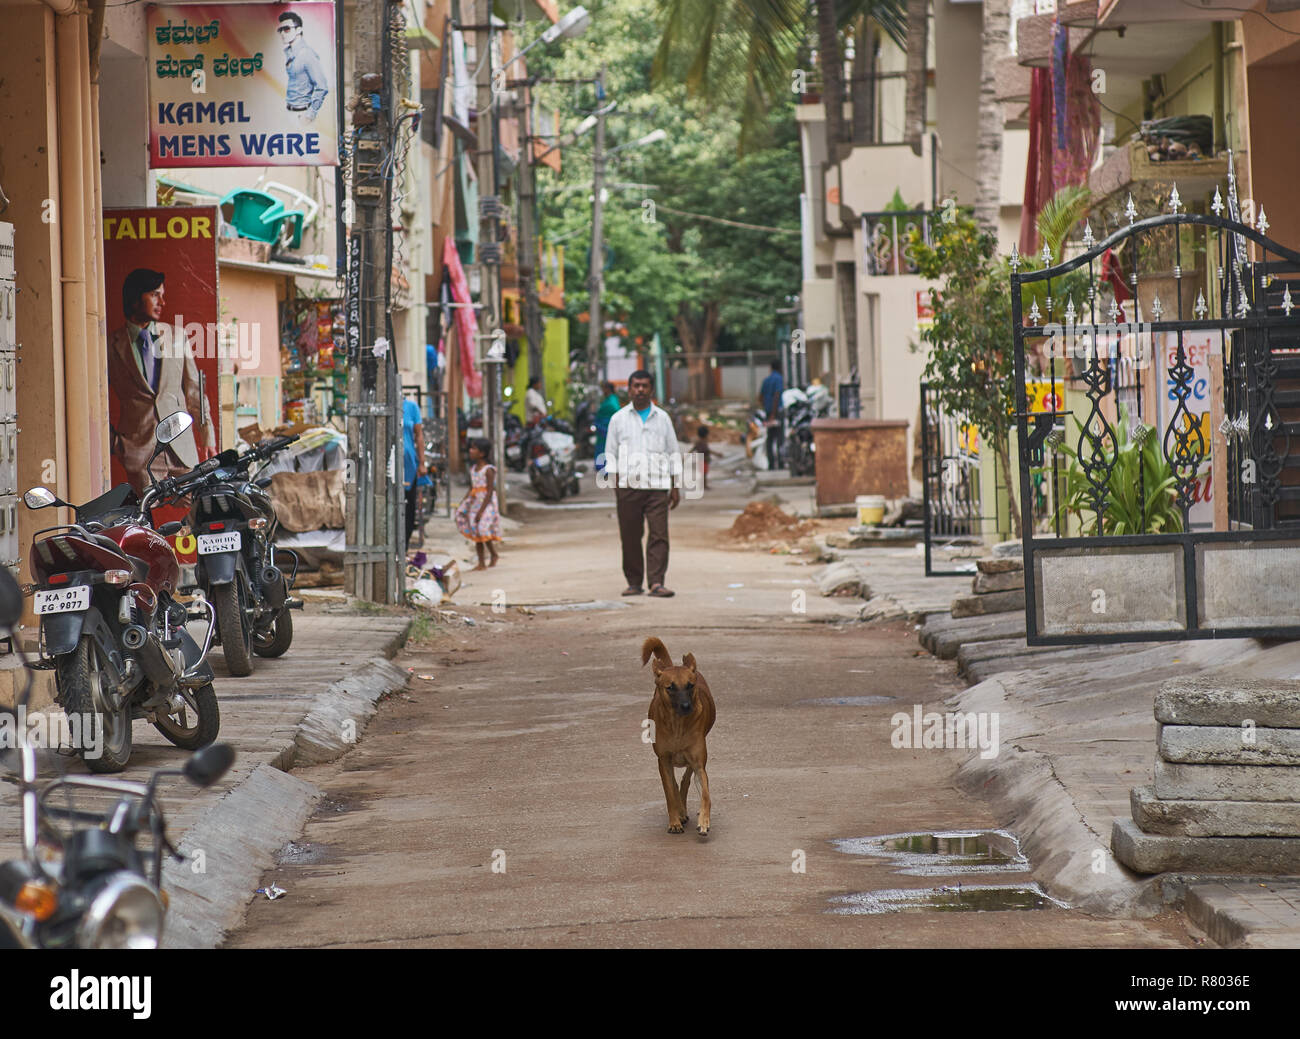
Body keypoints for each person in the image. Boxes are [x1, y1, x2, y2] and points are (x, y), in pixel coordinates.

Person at [107, 268, 215, 494]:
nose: (162, 302)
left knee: (198, 504)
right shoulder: (111, 345)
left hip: (181, 444)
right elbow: (93, 399)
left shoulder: (178, 336)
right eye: (155, 295)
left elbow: (194, 389)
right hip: (139, 451)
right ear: (136, 298)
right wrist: (116, 444)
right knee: (145, 518)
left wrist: (207, 437)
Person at [603, 369, 680, 597]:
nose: (640, 390)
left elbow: (673, 452)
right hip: (628, 486)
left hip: (657, 486)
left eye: (644, 386)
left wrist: (675, 486)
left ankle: (656, 582)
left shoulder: (663, 419)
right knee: (630, 535)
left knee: (659, 534)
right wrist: (616, 484)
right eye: (636, 386)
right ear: (629, 389)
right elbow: (610, 454)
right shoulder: (618, 419)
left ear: (651, 389)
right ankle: (634, 582)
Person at [455, 438, 501, 570]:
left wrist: (482, 510)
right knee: (477, 532)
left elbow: (489, 491)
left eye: (473, 448)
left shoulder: (488, 470)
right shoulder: (473, 469)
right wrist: (463, 503)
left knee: (482, 528)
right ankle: (482, 561)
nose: (470, 451)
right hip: (475, 503)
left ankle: (492, 554)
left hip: (487, 505)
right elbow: (472, 488)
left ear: (482, 453)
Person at [278, 11, 328, 125]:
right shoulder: (288, 53)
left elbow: (322, 86)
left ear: (298, 30)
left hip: (302, 113)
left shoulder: (306, 54)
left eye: (286, 29)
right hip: (289, 111)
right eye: (280, 30)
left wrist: (310, 114)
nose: (282, 33)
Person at [402, 395, 427, 550]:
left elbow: (419, 436)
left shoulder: (411, 407)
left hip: (409, 464)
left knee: (409, 505)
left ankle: (404, 546)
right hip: (386, 465)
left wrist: (422, 462)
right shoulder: (381, 405)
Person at [759, 360, 784, 472]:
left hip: (768, 412)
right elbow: (777, 395)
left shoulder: (766, 380)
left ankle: (771, 464)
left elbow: (760, 396)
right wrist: (774, 413)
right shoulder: (779, 379)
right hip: (776, 412)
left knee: (770, 438)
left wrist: (767, 409)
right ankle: (780, 463)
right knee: (779, 438)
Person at [594, 380, 621, 471]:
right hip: (603, 431)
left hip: (606, 430)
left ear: (607, 389)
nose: (603, 391)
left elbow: (615, 413)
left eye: (604, 389)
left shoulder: (611, 401)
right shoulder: (609, 399)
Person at [691, 424, 711, 491]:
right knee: (703, 473)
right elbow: (707, 450)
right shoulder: (701, 442)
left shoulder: (700, 441)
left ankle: (704, 485)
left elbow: (693, 449)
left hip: (703, 459)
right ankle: (704, 485)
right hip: (703, 459)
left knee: (704, 473)